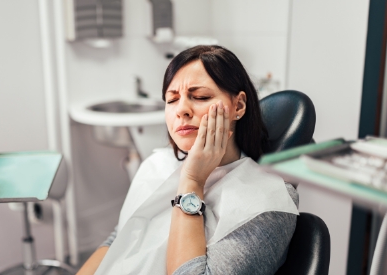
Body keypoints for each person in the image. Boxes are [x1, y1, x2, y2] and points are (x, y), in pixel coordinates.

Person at [77, 45, 299, 275]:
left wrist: (192, 181)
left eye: (200, 96)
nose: (181, 109)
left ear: (239, 106)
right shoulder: (156, 166)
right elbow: (119, 239)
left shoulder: (268, 203)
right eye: (171, 100)